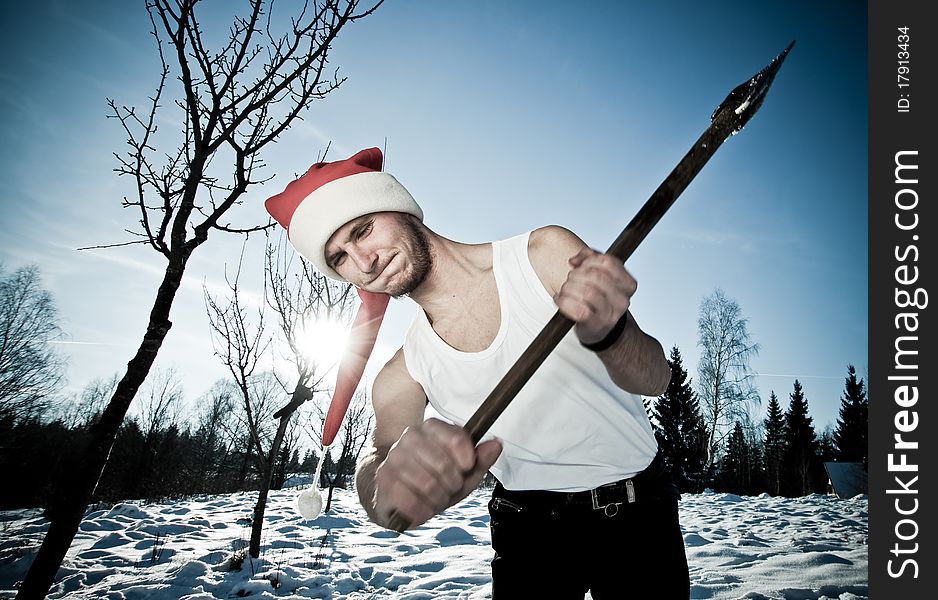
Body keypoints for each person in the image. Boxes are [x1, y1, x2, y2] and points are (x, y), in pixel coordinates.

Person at [265, 147, 690, 598]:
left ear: (396, 205)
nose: (364, 261)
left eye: (363, 230)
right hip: (526, 529)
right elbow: (379, 454)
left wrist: (610, 334)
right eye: (340, 258)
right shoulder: (402, 371)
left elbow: (655, 379)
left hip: (638, 512)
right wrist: (382, 493)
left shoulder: (541, 256)